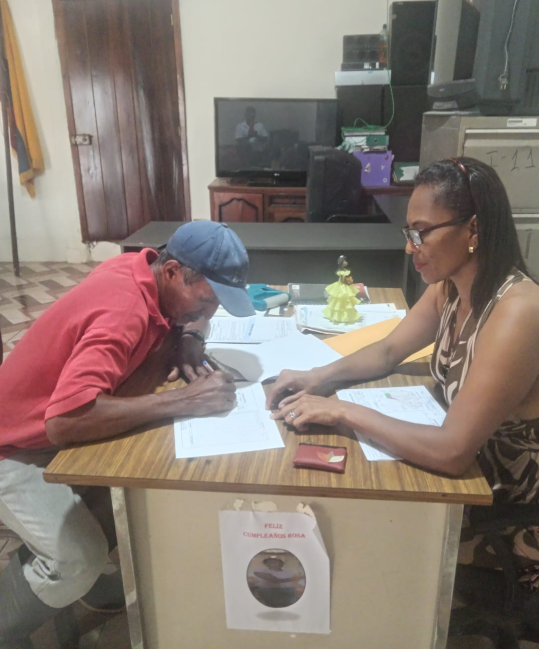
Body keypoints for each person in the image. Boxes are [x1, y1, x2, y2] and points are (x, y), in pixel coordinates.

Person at [267, 157, 539, 584]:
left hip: (502, 504)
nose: (411, 248)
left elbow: (452, 452)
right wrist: (317, 376)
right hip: (466, 476)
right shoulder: (450, 288)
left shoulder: (518, 312)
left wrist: (342, 411)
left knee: (360, 537)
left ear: (473, 230)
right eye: (409, 233)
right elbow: (388, 351)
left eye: (422, 233)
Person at [0, 220, 254, 648]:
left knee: (128, 498)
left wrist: (189, 335)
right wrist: (186, 400)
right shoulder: (123, 310)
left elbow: (184, 318)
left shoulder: (144, 271)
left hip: (42, 432)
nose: (209, 313)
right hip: (13, 444)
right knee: (78, 558)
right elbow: (65, 421)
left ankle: (69, 574)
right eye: (206, 301)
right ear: (172, 271)